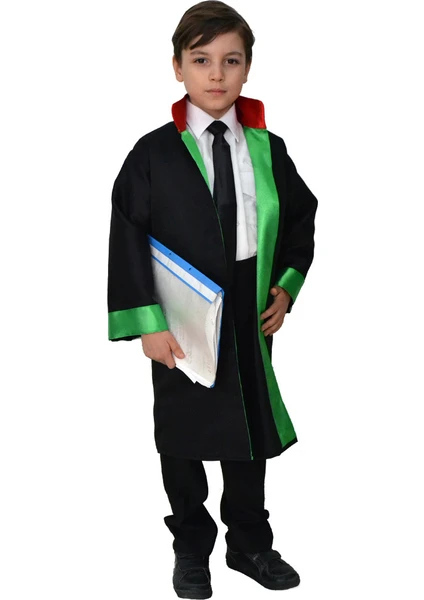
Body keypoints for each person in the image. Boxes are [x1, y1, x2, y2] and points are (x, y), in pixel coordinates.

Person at [107, 1, 318, 597]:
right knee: (183, 433)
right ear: (177, 67)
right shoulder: (152, 154)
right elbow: (127, 236)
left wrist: (286, 288)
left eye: (231, 60)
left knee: (248, 431)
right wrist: (146, 323)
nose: (217, 74)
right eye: (201, 60)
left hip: (249, 310)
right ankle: (191, 548)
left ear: (248, 67)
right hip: (181, 315)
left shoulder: (269, 149)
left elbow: (300, 218)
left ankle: (249, 544)